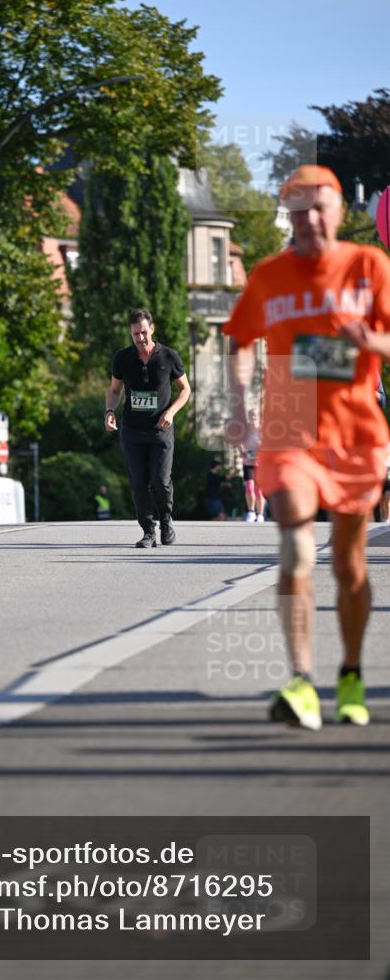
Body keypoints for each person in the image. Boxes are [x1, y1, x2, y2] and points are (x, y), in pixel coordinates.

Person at [223, 164, 390, 730]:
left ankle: (349, 674)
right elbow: (240, 341)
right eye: (298, 211)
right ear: (288, 217)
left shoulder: (370, 267)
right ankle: (300, 681)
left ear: (341, 210)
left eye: (320, 208)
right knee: (295, 545)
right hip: (289, 419)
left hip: (356, 428)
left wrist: (374, 341)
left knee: (350, 567)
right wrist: (236, 401)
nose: (310, 220)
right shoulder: (269, 275)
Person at [105, 308, 191, 548]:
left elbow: (186, 389)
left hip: (160, 430)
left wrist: (171, 412)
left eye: (143, 332)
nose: (140, 338)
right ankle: (148, 531)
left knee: (161, 481)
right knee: (139, 482)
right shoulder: (122, 358)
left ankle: (166, 521)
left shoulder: (169, 357)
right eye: (135, 334)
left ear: (152, 329)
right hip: (132, 430)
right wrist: (110, 411)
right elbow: (114, 390)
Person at [239, 409, 266, 522]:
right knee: (249, 486)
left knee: (258, 490)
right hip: (248, 462)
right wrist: (241, 450)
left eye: (255, 415)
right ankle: (251, 512)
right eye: (251, 415)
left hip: (260, 463)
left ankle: (260, 514)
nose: (253, 417)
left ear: (259, 417)